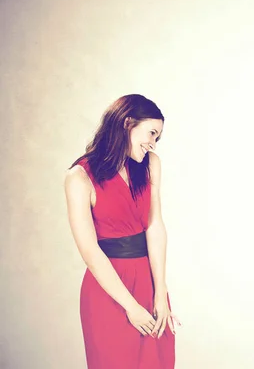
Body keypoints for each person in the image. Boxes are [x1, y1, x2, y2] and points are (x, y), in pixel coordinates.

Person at [64, 94, 180, 369]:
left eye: (157, 137)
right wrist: (130, 306)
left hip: (148, 282)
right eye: (151, 133)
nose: (153, 143)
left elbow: (154, 226)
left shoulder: (151, 164)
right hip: (109, 290)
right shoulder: (79, 177)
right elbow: (90, 251)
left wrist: (160, 292)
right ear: (128, 123)